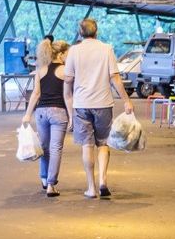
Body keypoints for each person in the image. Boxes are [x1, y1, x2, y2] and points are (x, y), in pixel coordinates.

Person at [63, 18, 133, 199]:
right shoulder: (106, 48)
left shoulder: (74, 51)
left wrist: (69, 110)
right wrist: (126, 100)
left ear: (80, 33)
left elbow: (68, 81)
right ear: (97, 31)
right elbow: (115, 78)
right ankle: (103, 181)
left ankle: (91, 188)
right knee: (103, 143)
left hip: (81, 105)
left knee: (87, 145)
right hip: (103, 104)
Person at [22, 39, 71, 197]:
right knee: (56, 148)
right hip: (59, 112)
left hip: (41, 112)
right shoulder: (65, 71)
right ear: (61, 54)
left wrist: (28, 114)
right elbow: (68, 96)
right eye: (67, 54)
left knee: (44, 147)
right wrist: (72, 116)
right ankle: (51, 184)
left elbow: (36, 94)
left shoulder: (40, 69)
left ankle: (44, 179)